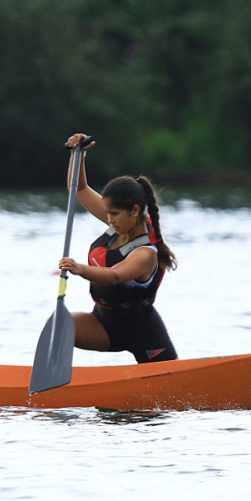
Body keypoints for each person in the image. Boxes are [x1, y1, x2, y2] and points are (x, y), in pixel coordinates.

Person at [57, 133, 179, 363]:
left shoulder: (145, 253)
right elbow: (80, 189)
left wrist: (79, 269)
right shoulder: (120, 222)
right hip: (103, 325)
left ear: (134, 211)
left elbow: (114, 276)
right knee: (58, 327)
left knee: (172, 394)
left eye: (113, 214)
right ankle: (56, 384)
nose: (109, 219)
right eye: (108, 213)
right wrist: (79, 154)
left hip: (143, 333)